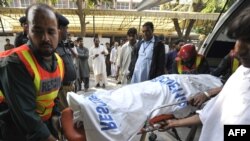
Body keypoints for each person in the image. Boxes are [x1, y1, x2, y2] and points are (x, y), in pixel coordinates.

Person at [160, 7, 250, 141]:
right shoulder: (241, 73)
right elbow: (209, 114)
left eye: (248, 40)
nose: (237, 51)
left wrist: (224, 132)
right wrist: (174, 123)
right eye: (238, 40)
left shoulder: (201, 61)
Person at [0, 3, 63, 141]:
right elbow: (27, 118)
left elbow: (54, 97)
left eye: (51, 31)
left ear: (58, 32)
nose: (46, 38)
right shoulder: (15, 63)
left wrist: (55, 115)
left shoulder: (58, 61)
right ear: (27, 30)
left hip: (42, 125)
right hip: (15, 130)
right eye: (38, 31)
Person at [55, 13, 77, 111]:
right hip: (62, 90)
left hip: (70, 87)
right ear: (59, 29)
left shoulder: (63, 46)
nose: (67, 32)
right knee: (65, 116)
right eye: (65, 29)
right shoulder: (52, 48)